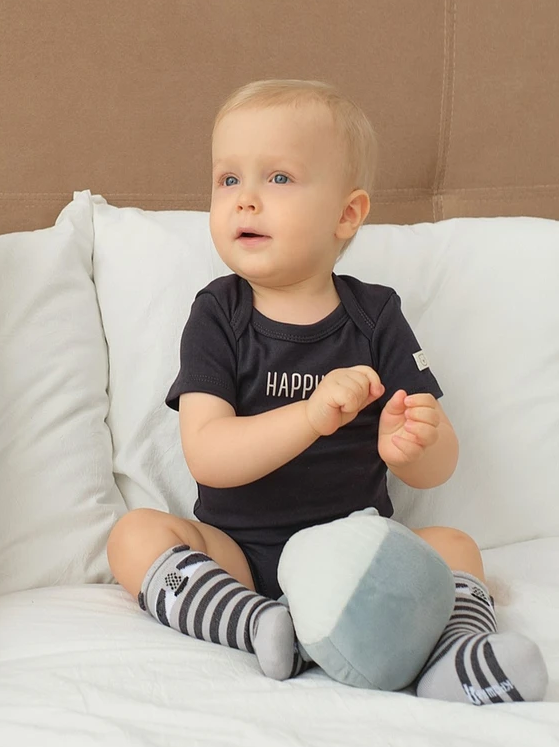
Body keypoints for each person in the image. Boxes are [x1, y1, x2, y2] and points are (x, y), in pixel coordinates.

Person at [107, 80, 547, 705]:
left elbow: (436, 464)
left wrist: (414, 445)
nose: (245, 199)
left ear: (347, 214)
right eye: (228, 179)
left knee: (453, 546)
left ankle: (456, 656)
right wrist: (310, 417)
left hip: (357, 559)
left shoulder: (375, 317)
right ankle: (256, 625)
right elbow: (208, 455)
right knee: (134, 537)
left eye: (278, 178)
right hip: (242, 561)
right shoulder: (218, 315)